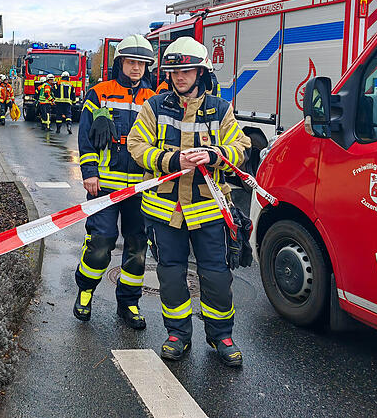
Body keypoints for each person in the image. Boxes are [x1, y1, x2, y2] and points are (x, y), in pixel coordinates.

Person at [126, 36, 251, 366]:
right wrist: (171, 161)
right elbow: (136, 146)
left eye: (187, 71)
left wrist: (215, 154)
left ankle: (221, 335)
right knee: (170, 275)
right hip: (165, 212)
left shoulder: (220, 109)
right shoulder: (154, 106)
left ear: (201, 72)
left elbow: (241, 146)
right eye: (174, 71)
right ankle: (178, 334)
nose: (180, 77)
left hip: (209, 209)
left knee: (216, 275)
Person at [73, 35, 157, 329]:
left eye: (142, 64)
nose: (136, 68)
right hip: (105, 185)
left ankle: (129, 303)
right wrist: (89, 173)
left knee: (137, 247)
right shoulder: (98, 93)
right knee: (101, 242)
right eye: (131, 62)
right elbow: (85, 139)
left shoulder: (156, 98)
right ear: (120, 62)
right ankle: (85, 291)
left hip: (142, 188)